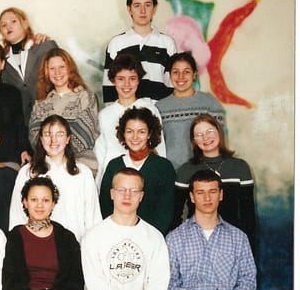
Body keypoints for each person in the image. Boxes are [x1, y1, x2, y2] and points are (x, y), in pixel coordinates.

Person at [9, 115, 100, 241]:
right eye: (47, 134)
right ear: (41, 139)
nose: (53, 140)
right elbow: (17, 215)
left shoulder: (83, 173)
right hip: (37, 244)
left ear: (68, 138)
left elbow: (93, 217)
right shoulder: (28, 172)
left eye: (60, 134)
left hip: (76, 244)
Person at [173, 114, 256, 248]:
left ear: (219, 132)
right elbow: (175, 215)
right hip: (194, 241)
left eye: (209, 131)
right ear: (194, 140)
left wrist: (247, 248)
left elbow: (248, 216)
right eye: (199, 135)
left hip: (231, 242)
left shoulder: (240, 167)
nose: (205, 138)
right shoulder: (185, 170)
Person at [99, 107, 175, 235]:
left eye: (141, 132)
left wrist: (149, 237)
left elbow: (166, 211)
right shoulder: (114, 165)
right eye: (130, 131)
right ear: (123, 133)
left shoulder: (163, 167)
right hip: (116, 235)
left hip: (151, 237)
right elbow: (105, 205)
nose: (135, 137)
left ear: (149, 134)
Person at [95, 53, 166, 185]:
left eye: (132, 78)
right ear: (113, 81)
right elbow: (100, 153)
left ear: (139, 80)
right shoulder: (105, 115)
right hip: (113, 179)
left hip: (143, 178)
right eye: (121, 79)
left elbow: (159, 149)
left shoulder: (150, 109)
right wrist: (99, 184)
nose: (127, 84)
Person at [28, 48, 99, 175]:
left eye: (62, 67)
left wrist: (58, 155)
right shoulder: (41, 103)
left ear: (70, 69)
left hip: (81, 165)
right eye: (52, 68)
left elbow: (85, 134)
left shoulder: (85, 96)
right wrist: (54, 159)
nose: (57, 72)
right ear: (46, 72)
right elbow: (35, 137)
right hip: (47, 166)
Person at [102, 0, 176, 104]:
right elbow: (109, 87)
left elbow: (171, 84)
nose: (143, 11)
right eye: (137, 5)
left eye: (148, 5)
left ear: (154, 8)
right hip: (126, 113)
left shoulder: (167, 43)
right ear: (129, 9)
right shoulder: (117, 43)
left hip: (159, 112)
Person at [156, 52, 226, 170]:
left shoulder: (209, 103)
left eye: (186, 72)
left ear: (194, 75)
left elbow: (220, 141)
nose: (181, 76)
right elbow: (156, 146)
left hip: (205, 172)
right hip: (171, 172)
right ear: (170, 75)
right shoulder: (159, 107)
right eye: (176, 72)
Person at [0, 7, 58, 124]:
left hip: (52, 119)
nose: (8, 27)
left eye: (13, 21)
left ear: (25, 24)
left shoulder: (46, 47)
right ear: (1, 31)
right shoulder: (2, 62)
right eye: (3, 25)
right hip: (22, 125)